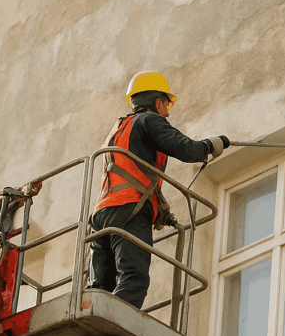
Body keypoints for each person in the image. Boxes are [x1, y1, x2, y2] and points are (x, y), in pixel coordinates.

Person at [87, 71, 229, 308]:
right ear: (157, 102)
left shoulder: (118, 129)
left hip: (101, 215)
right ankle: (111, 326)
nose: (168, 112)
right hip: (128, 211)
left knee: (98, 287)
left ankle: (91, 325)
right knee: (133, 279)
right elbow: (187, 149)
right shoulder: (149, 120)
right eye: (167, 104)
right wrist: (213, 144)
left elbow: (132, 170)